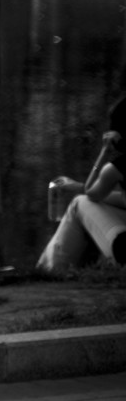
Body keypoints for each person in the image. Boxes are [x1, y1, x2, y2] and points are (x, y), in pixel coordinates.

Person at [37, 99, 126, 272]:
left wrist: (104, 152)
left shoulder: (117, 168)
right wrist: (81, 187)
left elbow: (90, 193)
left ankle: (49, 272)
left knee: (79, 203)